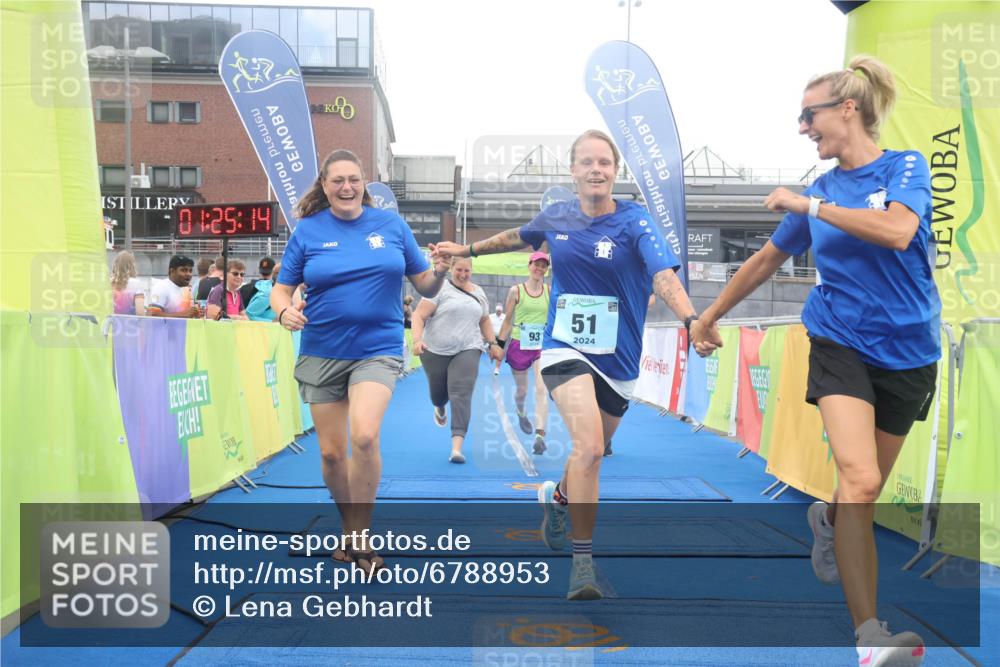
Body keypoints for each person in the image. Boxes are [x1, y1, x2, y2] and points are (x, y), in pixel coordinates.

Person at [690, 56, 936, 666]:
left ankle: (826, 519)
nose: (803, 128)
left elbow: (898, 231)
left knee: (856, 495)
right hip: (838, 341)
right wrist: (709, 315)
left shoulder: (904, 167)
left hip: (910, 351)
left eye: (809, 115)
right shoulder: (820, 190)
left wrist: (810, 208)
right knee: (862, 480)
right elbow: (765, 262)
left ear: (847, 109)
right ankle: (869, 638)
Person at [436, 129, 698, 600]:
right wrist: (466, 250)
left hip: (619, 361)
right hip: (564, 348)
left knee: (588, 456)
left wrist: (691, 319)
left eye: (605, 162)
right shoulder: (557, 217)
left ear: (614, 171)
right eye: (587, 162)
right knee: (592, 449)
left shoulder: (635, 222)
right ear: (573, 170)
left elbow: (662, 277)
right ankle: (583, 565)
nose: (596, 169)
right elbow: (516, 237)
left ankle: (558, 497)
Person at [271, 148, 449, 574]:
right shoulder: (309, 231)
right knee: (332, 455)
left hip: (378, 347)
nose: (347, 187)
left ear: (363, 183)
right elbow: (282, 288)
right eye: (338, 181)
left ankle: (361, 536)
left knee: (365, 437)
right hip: (321, 350)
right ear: (325, 186)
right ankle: (348, 527)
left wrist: (440, 270)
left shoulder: (390, 225)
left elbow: (424, 284)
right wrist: (283, 311)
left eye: (354, 179)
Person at [410, 257, 503, 464]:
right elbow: (418, 315)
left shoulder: (478, 292)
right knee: (439, 395)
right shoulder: (439, 289)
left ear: (472, 270)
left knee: (461, 392)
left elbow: (484, 319)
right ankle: (439, 405)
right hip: (435, 350)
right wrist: (417, 340)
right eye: (459, 270)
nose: (463, 274)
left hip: (469, 347)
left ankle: (456, 447)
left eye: (467, 271)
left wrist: (492, 342)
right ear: (452, 268)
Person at [496, 251, 551, 454]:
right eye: (536, 264)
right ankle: (520, 412)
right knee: (522, 391)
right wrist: (498, 346)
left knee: (541, 389)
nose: (539, 268)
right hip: (519, 344)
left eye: (543, 265)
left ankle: (540, 435)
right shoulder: (516, 291)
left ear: (546, 269)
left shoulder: (549, 291)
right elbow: (508, 321)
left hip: (540, 347)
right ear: (529, 266)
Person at [110, 250, 146, 316]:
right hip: (130, 325)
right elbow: (140, 313)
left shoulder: (108, 283)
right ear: (132, 266)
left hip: (111, 325)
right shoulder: (137, 284)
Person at [488, 303, 505, 376]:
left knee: (499, 353)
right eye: (497, 311)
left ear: (501, 311)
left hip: (501, 337)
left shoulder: (505, 317)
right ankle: (492, 356)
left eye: (500, 311)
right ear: (495, 310)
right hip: (492, 336)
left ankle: (497, 368)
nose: (498, 312)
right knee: (492, 352)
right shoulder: (490, 316)